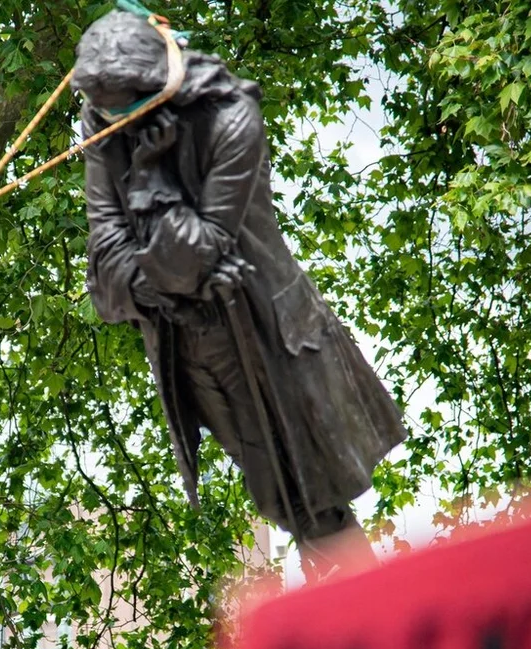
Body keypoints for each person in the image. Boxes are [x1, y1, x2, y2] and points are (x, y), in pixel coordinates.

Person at [71, 9, 408, 582]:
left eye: (116, 110)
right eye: (98, 110)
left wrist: (151, 177)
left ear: (153, 88)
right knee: (288, 507)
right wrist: (159, 276)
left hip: (270, 335)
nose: (104, 123)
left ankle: (370, 628)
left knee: (317, 504)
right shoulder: (105, 117)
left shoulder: (231, 117)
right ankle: (354, 626)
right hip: (194, 349)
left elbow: (201, 247)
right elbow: (105, 276)